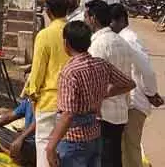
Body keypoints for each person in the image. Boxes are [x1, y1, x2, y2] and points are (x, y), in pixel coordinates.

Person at [46, 21, 136, 167]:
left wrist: (51, 146)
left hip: (74, 139)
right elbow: (130, 84)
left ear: (66, 43)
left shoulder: (69, 72)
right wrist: (104, 93)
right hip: (94, 134)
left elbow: (68, 114)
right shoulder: (101, 65)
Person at [109, 4, 162, 167]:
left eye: (111, 22)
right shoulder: (121, 38)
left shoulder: (129, 40)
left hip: (135, 102)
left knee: (131, 149)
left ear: (121, 20)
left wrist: (151, 93)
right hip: (128, 101)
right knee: (124, 148)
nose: (109, 26)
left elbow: (146, 70)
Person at [84, 0, 135, 167]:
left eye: (86, 17)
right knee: (113, 157)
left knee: (104, 158)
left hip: (103, 113)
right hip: (119, 112)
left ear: (93, 19)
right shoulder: (121, 42)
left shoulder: (98, 44)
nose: (85, 21)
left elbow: (95, 82)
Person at [23, 0, 69, 167]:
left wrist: (32, 93)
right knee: (62, 151)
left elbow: (38, 70)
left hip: (49, 101)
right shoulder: (74, 30)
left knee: (44, 149)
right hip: (71, 104)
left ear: (48, 11)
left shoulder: (45, 34)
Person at [0, 98, 36, 166]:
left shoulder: (47, 103)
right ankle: (20, 155)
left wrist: (21, 138)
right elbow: (8, 117)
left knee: (23, 147)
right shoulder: (28, 102)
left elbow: (37, 124)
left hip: (37, 145)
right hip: (26, 140)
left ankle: (13, 154)